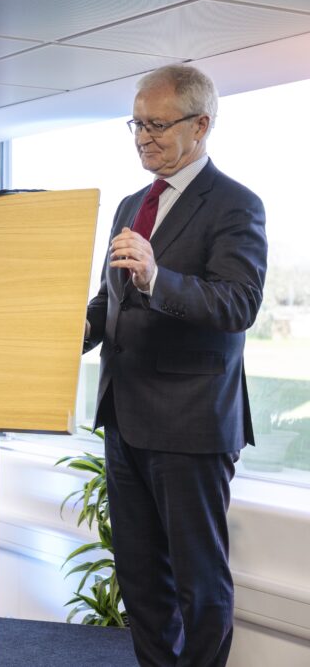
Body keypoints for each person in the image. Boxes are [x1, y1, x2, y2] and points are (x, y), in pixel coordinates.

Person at [83, 64, 267, 666]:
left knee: (199, 583)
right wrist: (64, 333)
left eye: (157, 125)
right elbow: (110, 302)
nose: (143, 138)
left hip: (191, 426)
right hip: (125, 419)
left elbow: (237, 304)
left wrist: (157, 277)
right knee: (140, 579)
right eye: (136, 124)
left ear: (201, 125)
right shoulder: (131, 205)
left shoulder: (235, 204)